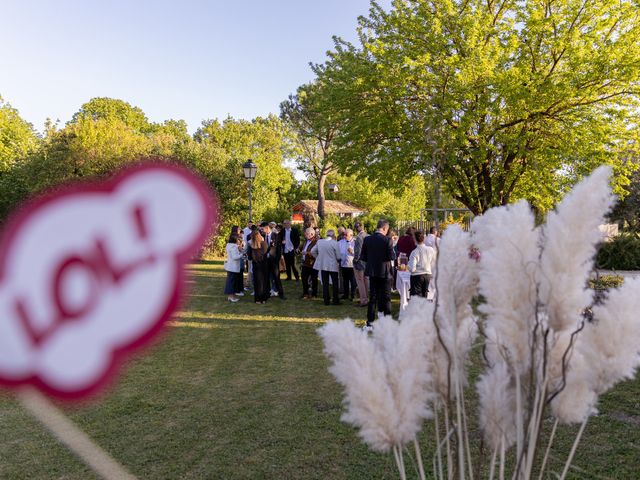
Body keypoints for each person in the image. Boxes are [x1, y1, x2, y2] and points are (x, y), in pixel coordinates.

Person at [361, 219, 396, 329]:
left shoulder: (367, 239)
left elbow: (363, 257)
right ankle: (387, 322)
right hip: (384, 272)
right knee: (386, 297)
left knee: (373, 297)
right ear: (385, 228)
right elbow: (392, 257)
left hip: (372, 271)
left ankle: (370, 322)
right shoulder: (387, 240)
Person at [311, 229, 342, 305]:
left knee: (325, 283)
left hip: (323, 265)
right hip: (333, 266)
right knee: (335, 283)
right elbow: (338, 256)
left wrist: (318, 257)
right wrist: (338, 260)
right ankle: (335, 301)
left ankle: (326, 300)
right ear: (333, 235)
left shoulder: (320, 242)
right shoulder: (335, 243)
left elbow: (312, 251)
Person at [408, 230, 437, 297]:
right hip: (427, 275)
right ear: (423, 238)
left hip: (417, 276)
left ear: (414, 239)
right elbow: (434, 263)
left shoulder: (414, 252)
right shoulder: (430, 249)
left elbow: (412, 269)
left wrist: (406, 266)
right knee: (424, 296)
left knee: (417, 298)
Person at [248, 229, 270, 303]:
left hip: (256, 266)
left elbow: (250, 257)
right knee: (264, 282)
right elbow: (267, 253)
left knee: (257, 283)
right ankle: (263, 299)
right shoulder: (264, 244)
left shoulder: (251, 246)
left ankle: (257, 299)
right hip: (264, 265)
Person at [298, 227, 319, 298]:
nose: (305, 234)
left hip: (313, 263)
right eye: (305, 233)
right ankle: (305, 293)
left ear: (312, 234)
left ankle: (314, 294)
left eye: (307, 233)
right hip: (305, 263)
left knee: (314, 279)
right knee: (304, 278)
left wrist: (307, 253)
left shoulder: (316, 242)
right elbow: (302, 247)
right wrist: (298, 249)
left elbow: (317, 253)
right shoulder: (306, 241)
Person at [223, 233, 244, 303]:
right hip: (233, 267)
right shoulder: (234, 247)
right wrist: (242, 254)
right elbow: (235, 257)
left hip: (230, 266)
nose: (239, 240)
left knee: (231, 282)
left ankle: (231, 296)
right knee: (231, 283)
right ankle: (231, 297)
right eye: (238, 239)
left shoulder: (229, 245)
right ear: (235, 239)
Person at [352, 221, 369, 307]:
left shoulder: (359, 237)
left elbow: (358, 252)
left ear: (355, 229)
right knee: (366, 280)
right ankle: (366, 298)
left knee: (360, 281)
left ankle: (363, 300)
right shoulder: (368, 235)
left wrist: (355, 260)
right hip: (367, 262)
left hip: (360, 262)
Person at [338, 228, 357, 301]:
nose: (344, 236)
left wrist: (352, 252)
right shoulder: (340, 242)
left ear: (351, 235)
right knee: (345, 280)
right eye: (344, 234)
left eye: (346, 235)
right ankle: (346, 294)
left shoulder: (355, 242)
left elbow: (359, 254)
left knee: (353, 281)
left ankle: (353, 295)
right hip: (343, 264)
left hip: (352, 265)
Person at [268, 225, 286, 299]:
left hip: (274, 261)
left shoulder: (276, 237)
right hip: (266, 261)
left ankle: (280, 293)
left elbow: (279, 249)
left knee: (276, 277)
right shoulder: (262, 236)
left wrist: (277, 260)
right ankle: (268, 292)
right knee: (267, 277)